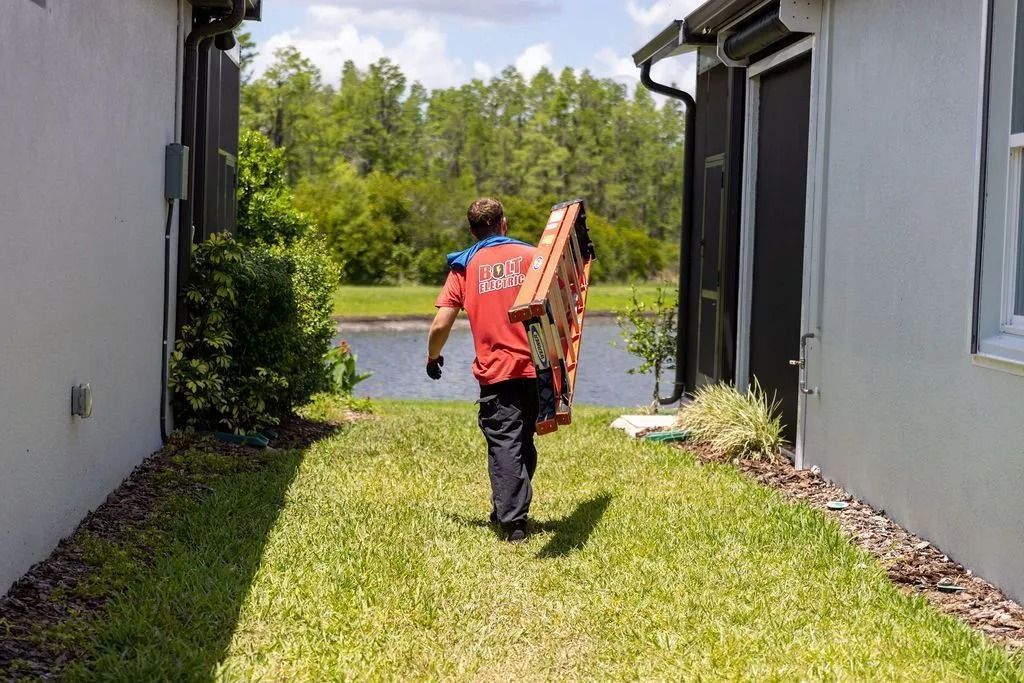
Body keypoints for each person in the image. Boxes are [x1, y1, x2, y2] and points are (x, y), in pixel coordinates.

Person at [427, 198, 538, 543]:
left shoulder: (465, 266)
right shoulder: (535, 257)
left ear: (472, 231)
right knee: (521, 440)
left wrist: (433, 357)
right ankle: (507, 507)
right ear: (503, 223)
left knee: (505, 442)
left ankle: (512, 523)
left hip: (497, 369)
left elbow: (441, 323)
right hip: (538, 366)